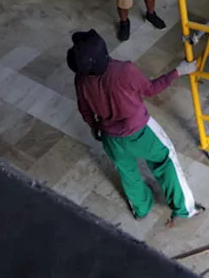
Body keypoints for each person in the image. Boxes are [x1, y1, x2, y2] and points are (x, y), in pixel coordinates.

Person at [67, 29, 201, 222]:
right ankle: (184, 209)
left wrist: (94, 127)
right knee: (165, 160)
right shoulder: (124, 70)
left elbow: (85, 109)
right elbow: (151, 89)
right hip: (141, 132)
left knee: (127, 172)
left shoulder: (80, 79)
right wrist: (178, 71)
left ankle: (141, 208)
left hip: (110, 137)